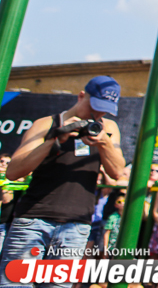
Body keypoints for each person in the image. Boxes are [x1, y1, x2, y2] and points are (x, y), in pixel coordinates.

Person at [0, 75, 125, 283]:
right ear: (81, 96)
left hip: (76, 226)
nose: (97, 114)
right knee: (14, 284)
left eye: (104, 110)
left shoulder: (108, 129)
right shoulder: (46, 124)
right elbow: (13, 172)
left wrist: (104, 143)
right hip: (33, 220)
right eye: (94, 107)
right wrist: (54, 139)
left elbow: (117, 172)